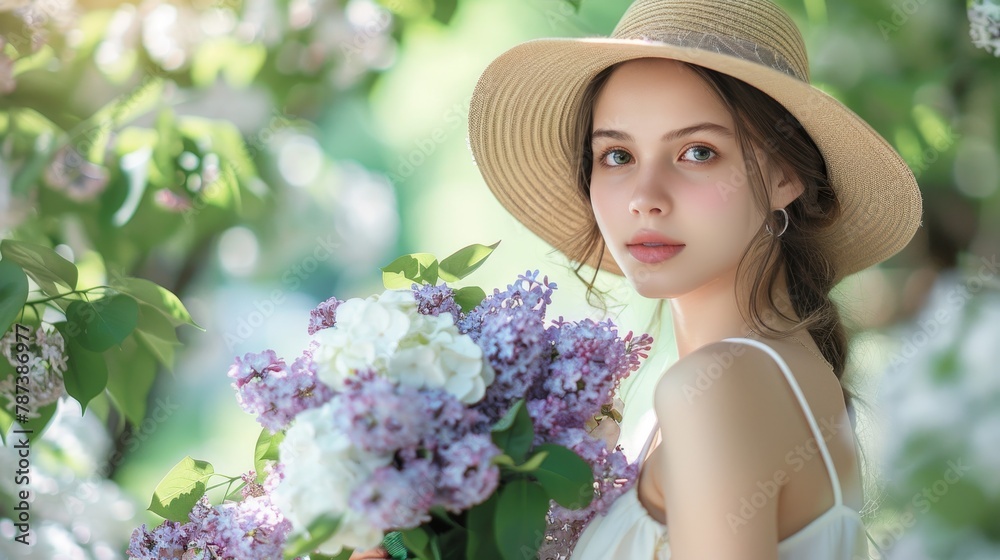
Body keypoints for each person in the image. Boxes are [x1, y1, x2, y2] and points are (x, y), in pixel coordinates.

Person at [465, 0, 923, 558]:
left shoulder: (719, 389)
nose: (644, 198)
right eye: (616, 155)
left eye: (697, 151)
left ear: (784, 177)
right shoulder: (755, 380)